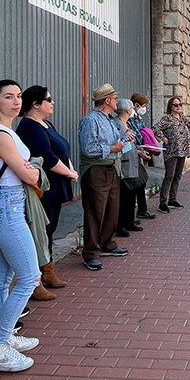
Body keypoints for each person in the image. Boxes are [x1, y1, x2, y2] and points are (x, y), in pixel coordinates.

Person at [0, 80, 43, 372]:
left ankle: (5, 338)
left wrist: (29, 169)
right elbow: (30, 177)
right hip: (6, 211)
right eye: (8, 97)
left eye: (18, 97)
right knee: (30, 277)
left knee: (1, 278)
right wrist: (33, 170)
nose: (16, 102)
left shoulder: (5, 132)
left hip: (6, 209)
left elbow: (26, 170)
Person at [16, 85, 78, 295]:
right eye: (48, 99)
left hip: (56, 185)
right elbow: (47, 157)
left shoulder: (46, 123)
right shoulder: (29, 127)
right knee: (39, 233)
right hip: (43, 187)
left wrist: (69, 167)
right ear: (35, 104)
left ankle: (47, 272)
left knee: (49, 231)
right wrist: (69, 173)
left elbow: (61, 148)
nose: (52, 103)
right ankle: (34, 281)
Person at [79, 84, 134, 271]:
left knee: (112, 210)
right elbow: (89, 148)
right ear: (107, 100)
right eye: (115, 98)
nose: (117, 101)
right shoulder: (90, 120)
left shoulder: (110, 120)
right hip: (96, 170)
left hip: (112, 168)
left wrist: (125, 141)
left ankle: (107, 244)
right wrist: (113, 148)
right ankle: (90, 253)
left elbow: (116, 145)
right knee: (95, 212)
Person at [153, 96, 190, 214]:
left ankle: (172, 199)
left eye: (180, 104)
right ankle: (163, 202)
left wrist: (187, 136)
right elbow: (155, 128)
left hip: (182, 151)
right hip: (171, 151)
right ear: (171, 107)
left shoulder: (182, 118)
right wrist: (163, 138)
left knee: (178, 175)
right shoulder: (167, 118)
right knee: (169, 175)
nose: (179, 107)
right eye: (176, 105)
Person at [115, 98, 148, 237]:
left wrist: (139, 151)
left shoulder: (127, 123)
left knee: (131, 195)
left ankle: (130, 221)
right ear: (128, 110)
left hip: (133, 162)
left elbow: (130, 144)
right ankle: (120, 224)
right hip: (124, 164)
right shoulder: (116, 125)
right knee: (123, 196)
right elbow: (117, 145)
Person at [129, 92, 156, 220]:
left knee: (142, 182)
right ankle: (136, 212)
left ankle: (141, 209)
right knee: (137, 183)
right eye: (143, 106)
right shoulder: (129, 118)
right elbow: (136, 136)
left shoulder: (138, 118)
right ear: (136, 104)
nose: (144, 109)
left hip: (141, 152)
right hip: (134, 153)